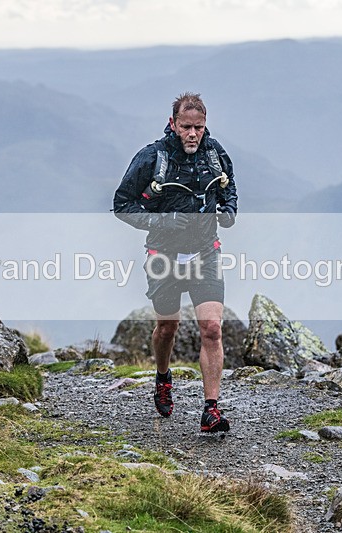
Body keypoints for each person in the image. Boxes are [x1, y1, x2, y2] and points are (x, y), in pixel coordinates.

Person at [113, 92, 238, 433]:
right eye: (186, 127)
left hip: (205, 253)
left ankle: (210, 409)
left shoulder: (215, 155)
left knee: (212, 328)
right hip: (163, 256)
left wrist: (228, 212)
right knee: (167, 327)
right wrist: (162, 220)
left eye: (199, 127)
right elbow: (122, 204)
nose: (193, 134)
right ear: (173, 124)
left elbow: (229, 192)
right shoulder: (152, 158)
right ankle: (163, 377)